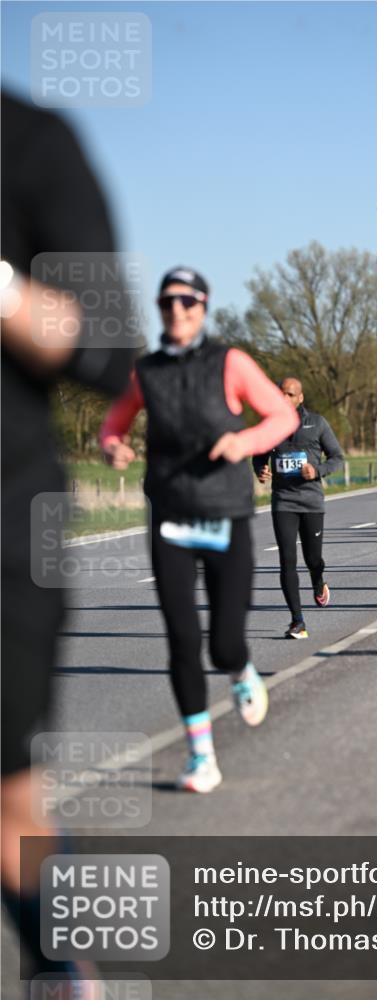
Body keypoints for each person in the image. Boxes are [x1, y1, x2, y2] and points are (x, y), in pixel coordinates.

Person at [1, 90, 135, 995]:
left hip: (3, 523)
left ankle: (63, 969)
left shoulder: (28, 141)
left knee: (6, 795)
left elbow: (105, 346)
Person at [100, 266, 299, 793]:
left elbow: (282, 417)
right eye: (167, 301)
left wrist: (244, 442)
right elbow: (113, 423)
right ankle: (201, 756)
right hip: (170, 515)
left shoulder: (230, 362)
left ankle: (241, 670)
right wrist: (113, 446)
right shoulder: (146, 371)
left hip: (225, 514)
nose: (176, 310)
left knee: (224, 644)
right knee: (182, 640)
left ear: (204, 307)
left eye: (187, 301)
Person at [253, 377, 343, 639]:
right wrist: (261, 470)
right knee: (287, 560)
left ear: (300, 398)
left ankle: (318, 580)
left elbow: (337, 457)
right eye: (280, 393)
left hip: (311, 501)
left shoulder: (317, 423)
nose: (284, 398)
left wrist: (317, 471)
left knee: (313, 559)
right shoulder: (270, 425)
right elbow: (258, 456)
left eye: (290, 394)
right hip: (283, 501)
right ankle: (297, 621)